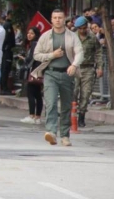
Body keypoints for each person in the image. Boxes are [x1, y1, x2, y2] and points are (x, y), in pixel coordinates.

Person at [30, 9, 83, 146]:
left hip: (67, 74)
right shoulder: (45, 36)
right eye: (55, 18)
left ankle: (65, 135)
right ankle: (51, 132)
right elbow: (36, 55)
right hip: (50, 73)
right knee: (51, 102)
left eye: (60, 17)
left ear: (64, 19)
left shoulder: (72, 36)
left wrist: (74, 65)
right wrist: (51, 55)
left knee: (66, 106)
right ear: (51, 20)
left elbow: (79, 52)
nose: (58, 20)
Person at [73, 17, 103, 128]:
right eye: (80, 28)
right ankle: (72, 116)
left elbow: (98, 52)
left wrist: (100, 67)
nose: (82, 30)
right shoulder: (72, 37)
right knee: (73, 92)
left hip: (88, 69)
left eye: (84, 28)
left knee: (85, 94)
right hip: (75, 68)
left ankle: (81, 116)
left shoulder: (92, 38)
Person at [18, 27, 43, 124]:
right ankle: (38, 117)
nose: (29, 35)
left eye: (32, 33)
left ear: (36, 35)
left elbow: (31, 59)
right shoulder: (40, 44)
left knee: (31, 94)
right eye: (28, 33)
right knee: (38, 95)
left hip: (33, 72)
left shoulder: (34, 44)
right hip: (39, 71)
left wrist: (24, 59)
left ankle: (32, 115)